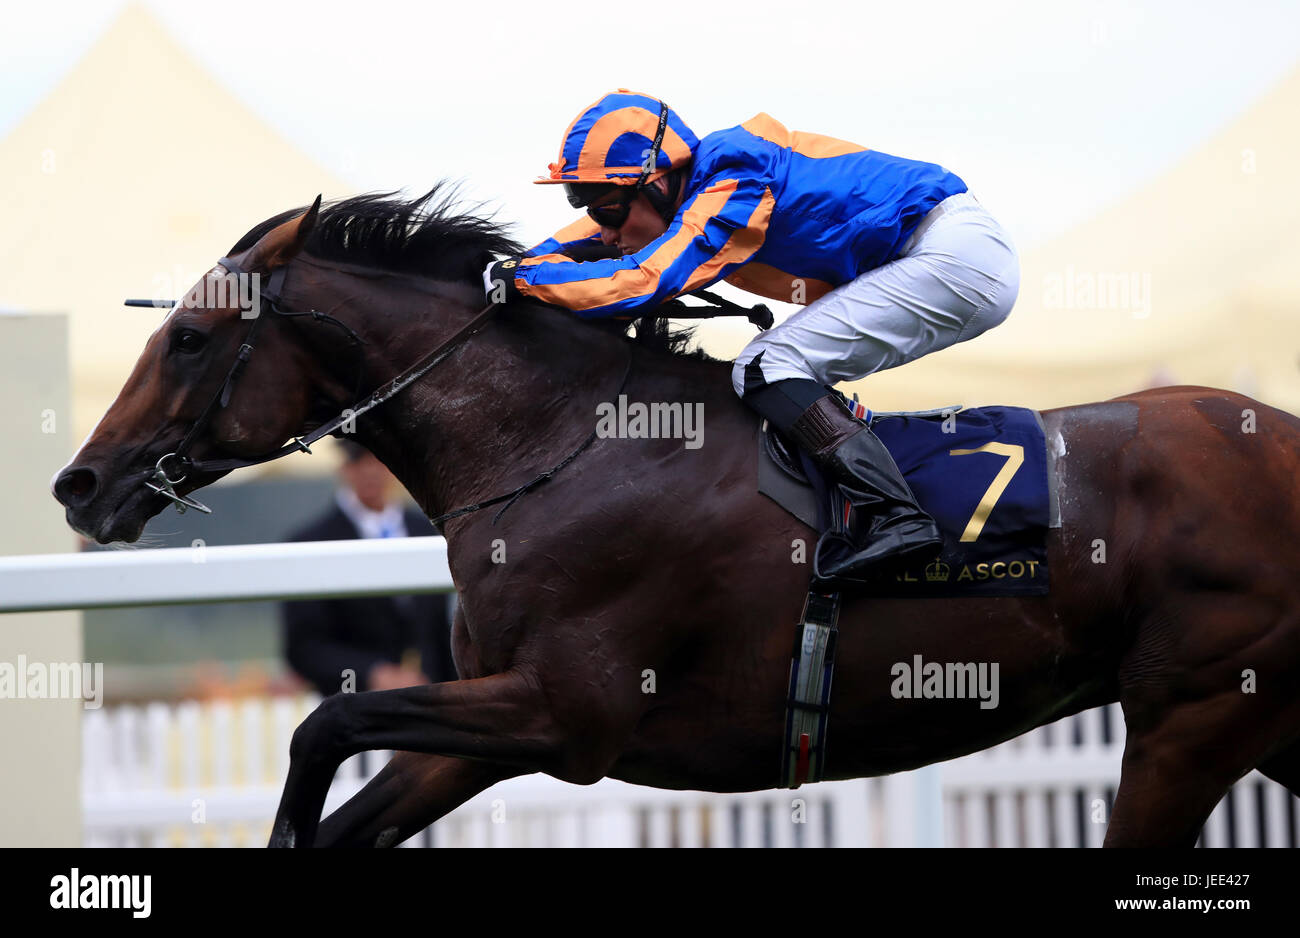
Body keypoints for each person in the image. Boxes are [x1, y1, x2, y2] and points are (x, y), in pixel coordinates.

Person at [483, 90, 1019, 581]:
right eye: (588, 205)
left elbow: (645, 282)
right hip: (936, 252)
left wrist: (527, 279)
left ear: (660, 182)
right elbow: (583, 243)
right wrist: (518, 265)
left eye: (607, 208)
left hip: (953, 256)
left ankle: (896, 516)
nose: (604, 230)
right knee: (779, 366)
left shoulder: (734, 179)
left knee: (766, 366)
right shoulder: (695, 185)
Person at [280, 441, 456, 695]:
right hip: (357, 709)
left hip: (433, 702)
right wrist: (372, 673)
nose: (371, 471)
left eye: (380, 460)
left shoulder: (428, 532)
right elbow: (304, 646)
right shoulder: (309, 543)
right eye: (359, 461)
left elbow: (441, 629)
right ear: (344, 468)